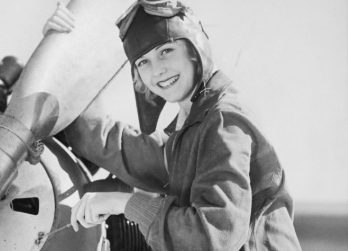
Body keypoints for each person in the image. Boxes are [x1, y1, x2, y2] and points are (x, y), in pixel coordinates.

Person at [43, 1, 302, 250]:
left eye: (165, 50)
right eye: (143, 61)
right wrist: (62, 47)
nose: (157, 71)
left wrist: (123, 203)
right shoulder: (189, 131)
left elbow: (212, 236)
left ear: (194, 47)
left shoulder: (222, 123)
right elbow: (105, 142)